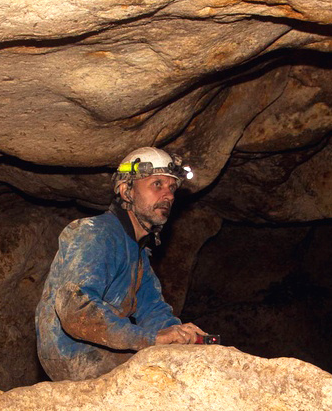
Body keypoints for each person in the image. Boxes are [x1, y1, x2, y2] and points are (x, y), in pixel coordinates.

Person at [35, 147, 209, 381]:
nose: (168, 195)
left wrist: (181, 336)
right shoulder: (95, 233)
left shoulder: (137, 253)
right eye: (157, 184)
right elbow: (75, 309)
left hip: (105, 355)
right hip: (77, 356)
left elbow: (152, 309)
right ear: (127, 191)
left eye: (172, 188)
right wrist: (151, 340)